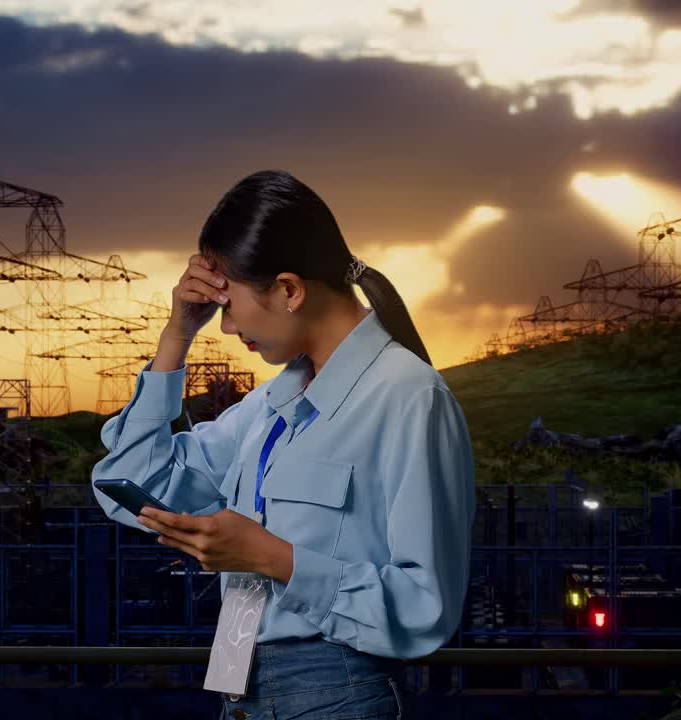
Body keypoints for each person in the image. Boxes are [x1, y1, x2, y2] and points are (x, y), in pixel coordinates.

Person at [91, 169, 476, 719]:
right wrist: (176, 334)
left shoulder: (409, 396)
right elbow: (127, 485)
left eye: (228, 304)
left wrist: (270, 557)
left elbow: (424, 607)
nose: (224, 327)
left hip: (334, 691)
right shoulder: (272, 404)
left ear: (290, 290)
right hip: (239, 685)